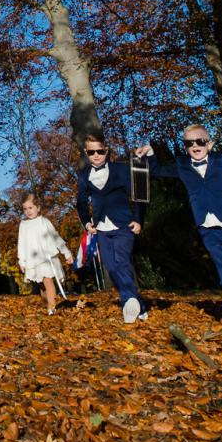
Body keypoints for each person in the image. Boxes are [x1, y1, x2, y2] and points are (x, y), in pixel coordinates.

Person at [133, 125, 222, 331]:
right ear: (185, 146)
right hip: (208, 231)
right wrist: (151, 153)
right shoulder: (182, 166)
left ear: (210, 143)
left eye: (200, 141)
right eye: (189, 143)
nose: (195, 146)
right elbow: (156, 170)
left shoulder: (221, 160)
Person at [75, 137, 147, 324]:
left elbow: (139, 194)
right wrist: (87, 223)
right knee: (111, 266)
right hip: (101, 228)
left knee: (122, 261)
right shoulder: (83, 175)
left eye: (100, 151)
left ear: (106, 151)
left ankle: (128, 304)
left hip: (124, 224)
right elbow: (81, 203)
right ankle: (138, 303)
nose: (96, 155)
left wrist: (138, 220)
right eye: (91, 152)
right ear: (86, 153)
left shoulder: (121, 169)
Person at [16, 195, 71, 315]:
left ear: (38, 208)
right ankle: (48, 304)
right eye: (25, 209)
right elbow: (22, 243)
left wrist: (66, 252)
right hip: (33, 259)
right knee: (41, 283)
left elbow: (55, 237)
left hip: (46, 258)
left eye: (31, 208)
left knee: (48, 280)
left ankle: (52, 307)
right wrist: (22, 261)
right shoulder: (23, 225)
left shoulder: (44, 221)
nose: (28, 211)